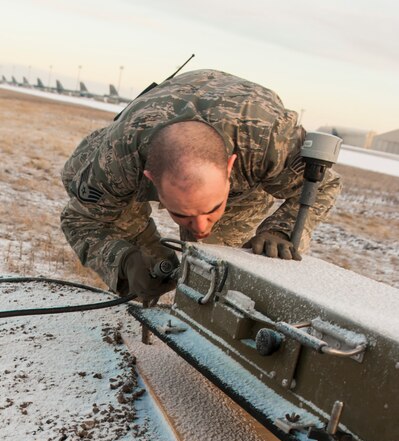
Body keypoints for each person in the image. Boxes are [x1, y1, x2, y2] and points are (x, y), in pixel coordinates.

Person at [61, 69, 341, 300]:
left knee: (213, 271)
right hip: (141, 134)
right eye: (181, 214)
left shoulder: (271, 144)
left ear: (230, 168)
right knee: (135, 255)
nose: (201, 228)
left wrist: (280, 231)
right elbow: (80, 220)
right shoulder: (119, 156)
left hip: (246, 143)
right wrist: (122, 260)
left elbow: (324, 187)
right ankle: (155, 263)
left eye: (212, 209)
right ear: (150, 179)